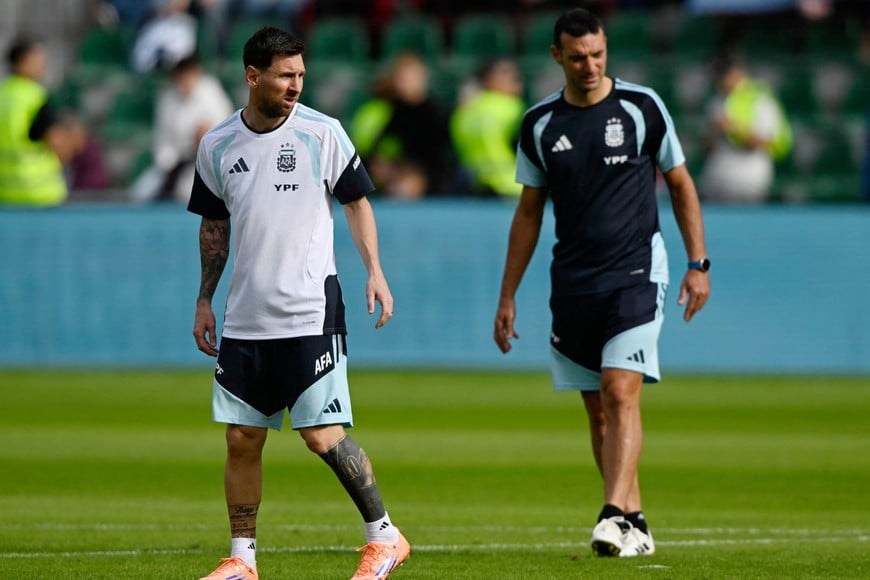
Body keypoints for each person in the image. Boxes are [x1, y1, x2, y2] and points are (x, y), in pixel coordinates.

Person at [187, 26, 410, 580]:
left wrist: (375, 272)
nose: (295, 85)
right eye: (286, 75)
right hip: (245, 315)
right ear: (253, 76)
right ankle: (243, 560)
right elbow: (215, 228)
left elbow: (357, 203)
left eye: (301, 74)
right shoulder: (216, 144)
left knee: (321, 435)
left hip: (311, 308)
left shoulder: (323, 132)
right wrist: (204, 299)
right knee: (241, 438)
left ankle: (385, 537)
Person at [493, 8, 711, 559]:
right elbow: (528, 214)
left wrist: (698, 263)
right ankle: (635, 521)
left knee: (620, 392)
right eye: (577, 57)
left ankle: (611, 514)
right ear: (557, 57)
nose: (589, 66)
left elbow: (681, 183)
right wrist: (507, 295)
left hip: (638, 270)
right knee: (597, 409)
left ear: (606, 48)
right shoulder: (540, 124)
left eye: (597, 54)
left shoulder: (642, 108)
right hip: (573, 280)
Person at [349, 52, 454, 199]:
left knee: (406, 186)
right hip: (401, 170)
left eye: (408, 78)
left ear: (422, 79)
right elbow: (378, 146)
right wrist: (380, 164)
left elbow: (439, 157)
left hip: (431, 177)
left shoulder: (434, 112)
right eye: (399, 79)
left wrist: (413, 175)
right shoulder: (395, 110)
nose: (402, 83)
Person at [131, 53, 234, 203]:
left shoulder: (212, 93)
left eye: (189, 73)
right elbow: (162, 144)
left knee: (187, 192)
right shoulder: (167, 99)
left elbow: (228, 133)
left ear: (196, 72)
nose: (185, 80)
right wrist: (172, 167)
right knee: (140, 192)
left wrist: (205, 139)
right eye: (182, 74)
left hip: (208, 165)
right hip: (174, 165)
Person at [0, 38, 87, 206]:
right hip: (38, 194)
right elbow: (58, 145)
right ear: (22, 61)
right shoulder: (36, 98)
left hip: (4, 196)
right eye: (38, 58)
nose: (43, 65)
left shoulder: (3, 94)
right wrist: (74, 141)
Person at [698, 53, 792, 204]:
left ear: (738, 72)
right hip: (717, 178)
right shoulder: (716, 101)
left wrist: (734, 129)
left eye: (725, 75)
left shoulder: (761, 100)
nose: (722, 81)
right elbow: (705, 148)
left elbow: (764, 142)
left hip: (749, 180)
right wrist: (714, 133)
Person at [449, 57, 525, 198]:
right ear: (487, 79)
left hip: (472, 187)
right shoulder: (512, 107)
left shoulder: (463, 111)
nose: (515, 78)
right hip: (513, 188)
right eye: (505, 73)